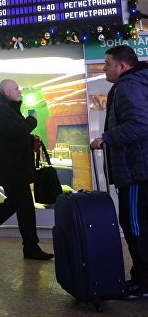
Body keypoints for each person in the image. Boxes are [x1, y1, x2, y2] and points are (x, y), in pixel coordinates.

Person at [0, 79, 54, 260]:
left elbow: (13, 137)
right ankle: (30, 247)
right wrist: (32, 121)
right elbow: (17, 132)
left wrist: (30, 139)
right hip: (11, 170)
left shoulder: (5, 110)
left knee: (15, 205)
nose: (19, 90)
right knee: (25, 208)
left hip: (13, 168)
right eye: (16, 88)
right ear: (7, 92)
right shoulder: (0, 112)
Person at [90, 45, 148, 299]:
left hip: (136, 170)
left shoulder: (127, 86)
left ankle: (143, 281)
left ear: (122, 66)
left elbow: (140, 124)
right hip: (139, 168)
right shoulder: (136, 83)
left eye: (107, 63)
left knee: (134, 224)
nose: (104, 68)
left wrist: (106, 138)